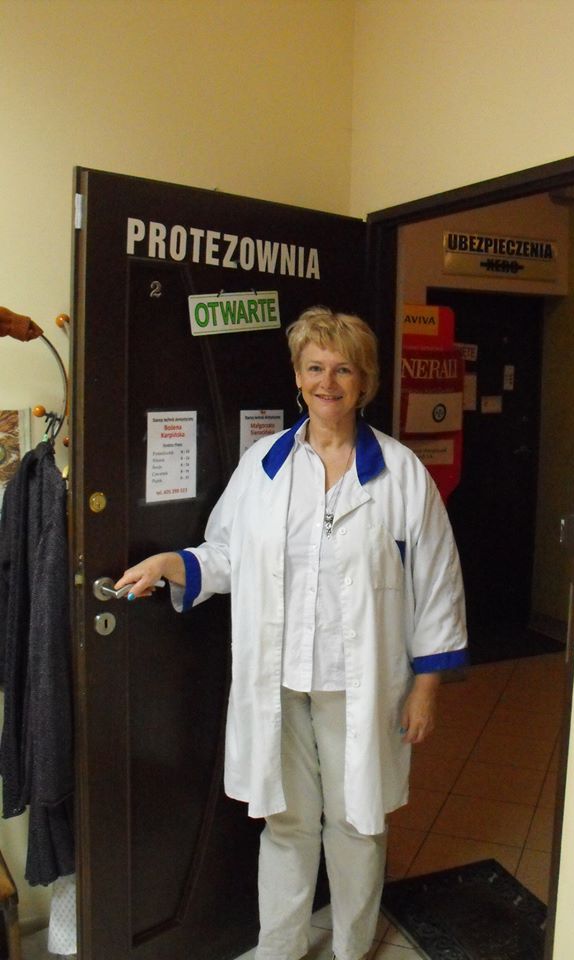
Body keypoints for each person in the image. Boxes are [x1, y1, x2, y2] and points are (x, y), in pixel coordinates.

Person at [115, 306, 467, 960]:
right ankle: (280, 948)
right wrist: (171, 564)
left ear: (364, 382)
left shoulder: (400, 475)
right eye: (314, 368)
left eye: (343, 370)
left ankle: (351, 947)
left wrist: (427, 687)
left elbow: (439, 583)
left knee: (358, 823)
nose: (327, 382)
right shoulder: (264, 466)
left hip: (359, 686)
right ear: (298, 377)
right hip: (278, 681)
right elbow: (227, 553)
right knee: (286, 822)